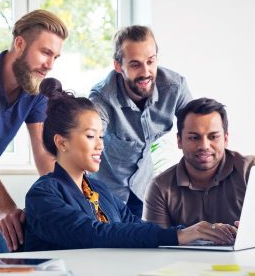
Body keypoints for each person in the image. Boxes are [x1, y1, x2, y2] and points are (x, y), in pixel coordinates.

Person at [24, 78, 235, 251]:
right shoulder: (43, 195)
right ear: (61, 142)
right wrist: (180, 235)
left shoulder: (100, 191)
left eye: (102, 136)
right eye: (90, 136)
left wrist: (202, 233)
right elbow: (92, 234)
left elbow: (137, 228)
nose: (100, 145)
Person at [0, 9, 68, 253]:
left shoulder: (35, 92)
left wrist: (60, 202)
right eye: (45, 52)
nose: (49, 65)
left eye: (55, 57)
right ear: (20, 43)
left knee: (13, 256)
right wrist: (7, 206)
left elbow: (42, 151)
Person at [89, 25, 192, 217]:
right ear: (118, 66)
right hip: (104, 195)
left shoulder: (174, 87)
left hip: (142, 192)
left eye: (150, 61)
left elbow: (198, 125)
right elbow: (89, 136)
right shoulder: (103, 97)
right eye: (135, 64)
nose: (146, 72)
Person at [143, 98, 255, 228]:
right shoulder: (160, 188)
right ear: (179, 141)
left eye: (213, 137)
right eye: (194, 137)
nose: (204, 146)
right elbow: (155, 244)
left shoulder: (251, 171)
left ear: (225, 139)